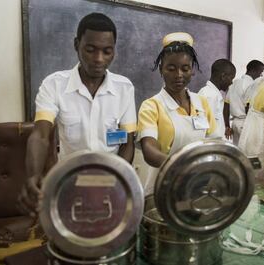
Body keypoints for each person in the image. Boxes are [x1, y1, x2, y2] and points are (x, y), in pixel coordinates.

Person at [19, 13, 137, 216]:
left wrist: (118, 179)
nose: (99, 59)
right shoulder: (54, 85)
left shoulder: (124, 88)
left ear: (114, 51)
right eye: (90, 50)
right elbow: (40, 135)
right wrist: (33, 176)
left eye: (107, 51)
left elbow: (127, 142)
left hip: (110, 182)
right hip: (69, 183)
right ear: (76, 45)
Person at [137, 32, 218, 195]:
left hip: (197, 187)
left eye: (185, 68)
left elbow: (214, 143)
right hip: (162, 188)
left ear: (192, 70)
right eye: (171, 68)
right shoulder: (152, 106)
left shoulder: (202, 103)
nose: (179, 75)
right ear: (161, 69)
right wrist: (182, 169)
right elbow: (149, 149)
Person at [224, 60, 264, 144]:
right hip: (246, 122)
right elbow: (248, 107)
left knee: (238, 151)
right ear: (254, 70)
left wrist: (227, 125)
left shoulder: (234, 83)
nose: (260, 76)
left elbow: (226, 106)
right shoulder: (252, 84)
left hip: (235, 123)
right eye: (260, 72)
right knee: (247, 153)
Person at [198, 59, 236, 139]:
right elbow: (203, 128)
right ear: (223, 76)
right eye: (231, 78)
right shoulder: (210, 95)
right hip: (209, 145)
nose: (231, 82)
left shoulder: (213, 94)